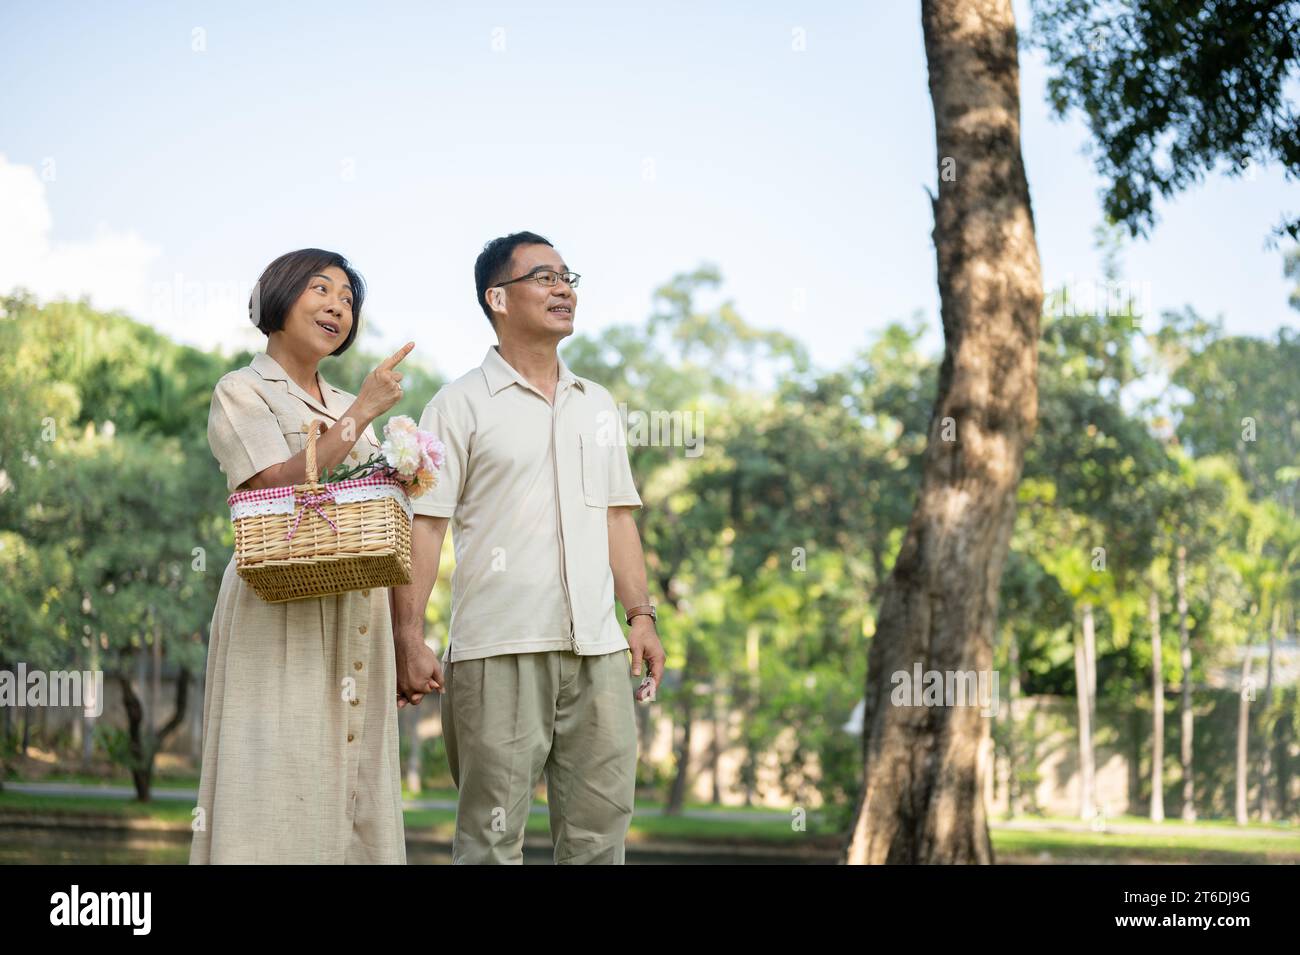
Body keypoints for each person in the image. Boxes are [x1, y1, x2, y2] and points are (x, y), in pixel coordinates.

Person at [391, 231, 666, 864]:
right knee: (490, 842)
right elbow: (424, 527)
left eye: (568, 277)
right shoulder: (456, 405)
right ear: (497, 298)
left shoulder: (597, 404)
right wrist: (407, 637)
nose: (562, 288)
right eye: (543, 277)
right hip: (498, 650)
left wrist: (642, 618)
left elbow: (618, 520)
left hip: (598, 652)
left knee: (601, 841)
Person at [190, 248, 431, 864]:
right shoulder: (241, 390)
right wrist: (360, 415)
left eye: (348, 299)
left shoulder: (350, 403)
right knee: (274, 777)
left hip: (359, 606)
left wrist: (409, 639)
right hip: (279, 608)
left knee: (355, 790)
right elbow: (272, 486)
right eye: (321, 289)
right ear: (280, 297)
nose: (337, 306)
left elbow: (390, 524)